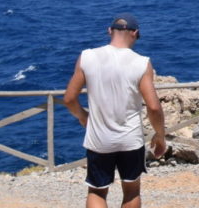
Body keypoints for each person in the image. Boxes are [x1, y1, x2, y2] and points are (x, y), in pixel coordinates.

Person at [63, 13, 167, 208]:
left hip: (99, 139)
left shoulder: (87, 56)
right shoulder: (142, 63)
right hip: (130, 139)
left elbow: (69, 99)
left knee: (97, 190)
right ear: (135, 33)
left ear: (109, 30)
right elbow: (153, 107)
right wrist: (160, 136)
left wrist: (84, 116)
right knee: (131, 190)